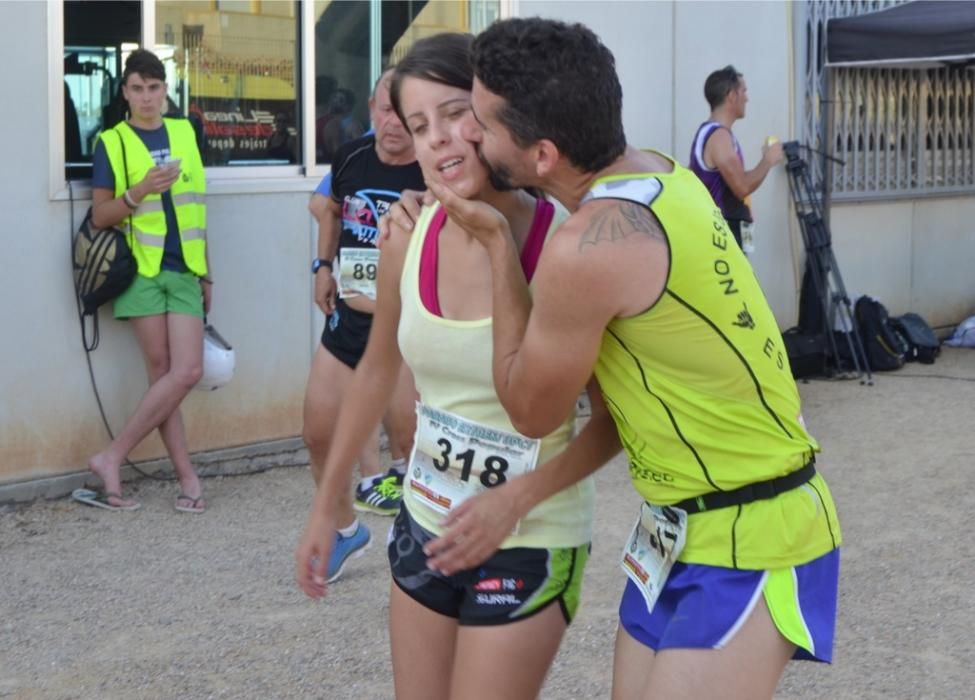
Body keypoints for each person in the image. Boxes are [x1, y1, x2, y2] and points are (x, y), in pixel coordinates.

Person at [385, 18, 841, 700]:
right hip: (672, 526)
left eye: (478, 122)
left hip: (756, 525)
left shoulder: (587, 246)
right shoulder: (656, 169)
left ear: (541, 155)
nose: (466, 137)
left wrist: (499, 252)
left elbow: (533, 412)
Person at [296, 33, 620, 700]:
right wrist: (326, 505)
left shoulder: (561, 246)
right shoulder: (405, 236)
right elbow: (376, 370)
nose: (438, 140)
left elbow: (614, 422)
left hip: (528, 537)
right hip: (425, 524)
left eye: (454, 114)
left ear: (496, 114)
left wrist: (515, 501)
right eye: (418, 126)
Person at [302, 69, 425, 582]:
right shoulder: (352, 156)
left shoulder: (435, 168)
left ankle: (431, 543)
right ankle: (346, 528)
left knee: (411, 442)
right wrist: (323, 266)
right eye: (381, 108)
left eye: (400, 112)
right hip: (349, 320)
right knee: (317, 432)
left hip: (409, 329)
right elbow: (330, 210)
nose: (390, 122)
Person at [81, 49, 211, 513]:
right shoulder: (111, 142)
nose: (146, 97)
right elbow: (100, 215)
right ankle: (188, 480)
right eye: (137, 88)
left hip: (184, 269)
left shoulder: (184, 132)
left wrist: (207, 271)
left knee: (187, 372)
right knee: (162, 376)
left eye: (154, 88)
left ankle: (112, 455)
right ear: (124, 93)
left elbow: (198, 205)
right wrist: (138, 192)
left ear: (165, 90)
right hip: (139, 271)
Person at [688, 65, 784, 253]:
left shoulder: (714, 133)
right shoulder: (719, 137)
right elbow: (742, 187)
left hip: (720, 232)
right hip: (722, 235)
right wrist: (768, 159)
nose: (747, 98)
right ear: (732, 95)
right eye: (744, 91)